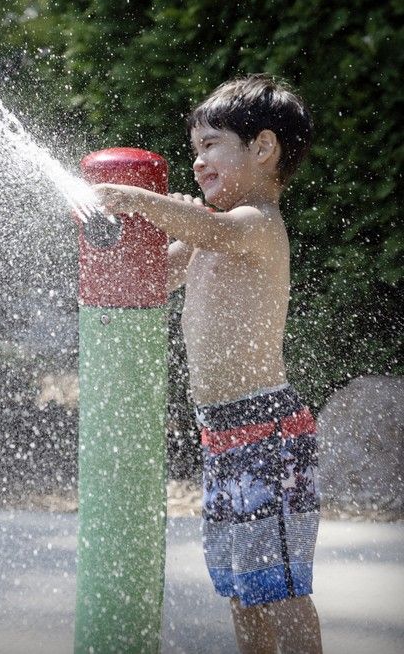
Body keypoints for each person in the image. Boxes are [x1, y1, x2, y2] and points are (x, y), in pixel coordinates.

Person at [94, 74, 323, 654]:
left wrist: (138, 200)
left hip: (265, 430)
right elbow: (160, 276)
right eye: (195, 149)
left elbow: (209, 229)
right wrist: (151, 232)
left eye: (211, 145)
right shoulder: (211, 234)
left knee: (281, 587)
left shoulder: (256, 225)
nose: (197, 162)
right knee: (244, 588)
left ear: (264, 148)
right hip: (224, 433)